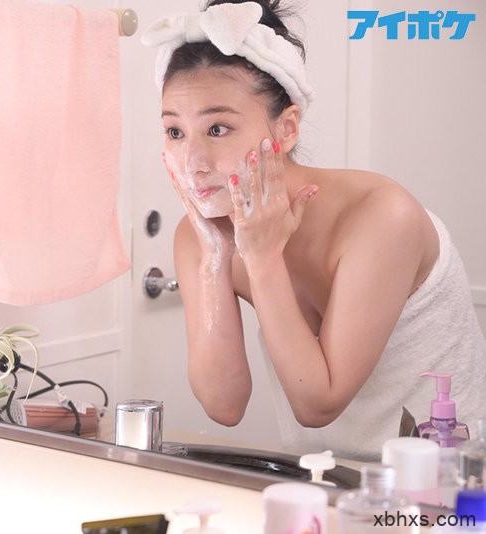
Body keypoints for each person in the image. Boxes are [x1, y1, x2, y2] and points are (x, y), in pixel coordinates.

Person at [142, 0, 486, 460]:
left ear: (286, 129)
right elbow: (224, 406)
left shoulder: (382, 217)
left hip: (450, 478)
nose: (193, 164)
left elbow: (317, 404)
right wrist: (214, 261)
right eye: (175, 132)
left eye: (218, 128)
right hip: (323, 477)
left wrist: (263, 258)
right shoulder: (200, 236)